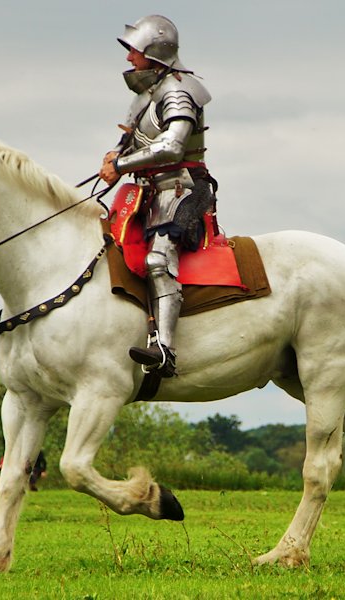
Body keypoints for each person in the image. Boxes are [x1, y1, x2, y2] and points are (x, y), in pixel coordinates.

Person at [99, 15, 215, 378]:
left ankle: (165, 350)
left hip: (184, 189)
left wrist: (120, 164)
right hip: (149, 191)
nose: (129, 59)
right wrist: (113, 157)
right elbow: (130, 143)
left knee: (157, 261)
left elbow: (171, 146)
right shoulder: (145, 98)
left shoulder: (179, 91)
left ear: (155, 53)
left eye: (135, 51)